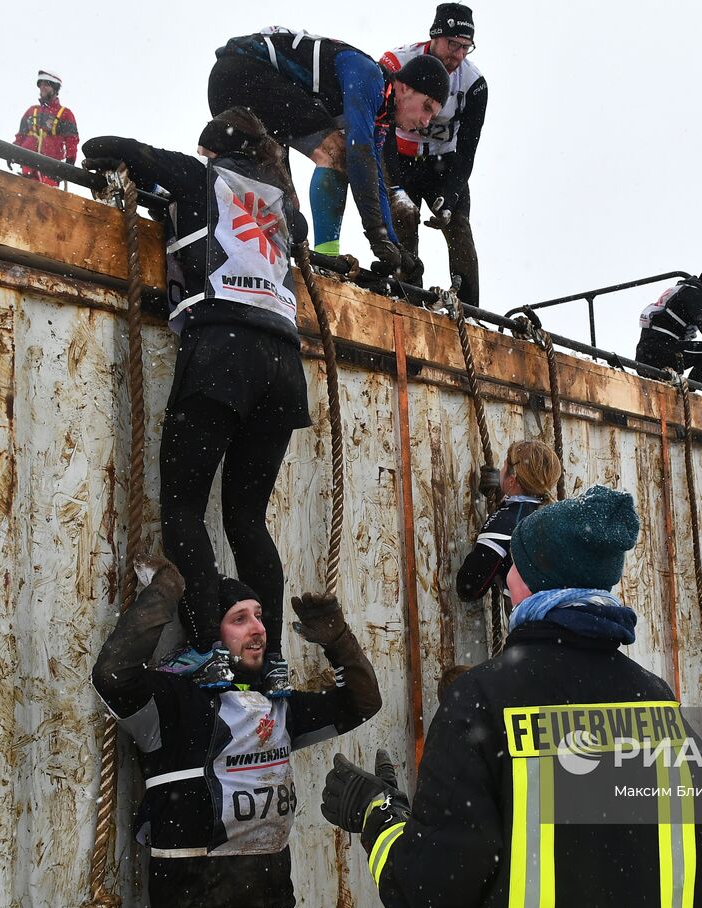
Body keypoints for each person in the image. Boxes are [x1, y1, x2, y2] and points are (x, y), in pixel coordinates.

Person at [319, 485, 702, 908]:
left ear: (531, 580)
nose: (507, 575)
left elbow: (430, 891)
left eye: (515, 562)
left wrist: (378, 815)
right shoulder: (655, 698)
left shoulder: (483, 700)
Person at [82, 108, 312, 696]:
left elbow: (106, 144)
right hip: (284, 369)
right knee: (246, 517)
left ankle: (208, 650)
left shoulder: (197, 176)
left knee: (183, 508)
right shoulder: (285, 209)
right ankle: (275, 656)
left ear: (211, 150)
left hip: (222, 354)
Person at [92, 555, 382, 908]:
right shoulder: (174, 705)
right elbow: (112, 675)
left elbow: (361, 703)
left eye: (259, 615)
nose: (258, 629)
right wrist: (166, 589)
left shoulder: (277, 708)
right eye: (239, 619)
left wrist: (339, 640)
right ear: (212, 635)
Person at [207, 27, 448, 273]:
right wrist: (377, 235)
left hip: (230, 84)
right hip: (243, 73)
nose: (426, 122)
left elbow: (374, 179)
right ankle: (326, 261)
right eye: (426, 107)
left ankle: (255, 265)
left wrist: (393, 245)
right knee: (337, 154)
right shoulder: (370, 76)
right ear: (405, 88)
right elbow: (357, 154)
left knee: (284, 202)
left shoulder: (381, 115)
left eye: (433, 116)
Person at [380, 3, 487, 304]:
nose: (458, 55)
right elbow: (382, 128)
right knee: (403, 222)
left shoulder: (474, 84)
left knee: (460, 232)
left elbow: (467, 151)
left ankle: (469, 311)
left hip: (443, 162)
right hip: (399, 156)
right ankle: (408, 296)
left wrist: (450, 197)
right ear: (434, 36)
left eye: (466, 47)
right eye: (452, 44)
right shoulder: (397, 62)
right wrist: (395, 187)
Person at [454, 439, 561, 605]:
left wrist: (494, 525)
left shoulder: (505, 523)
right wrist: (502, 493)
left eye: (504, 466)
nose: (500, 470)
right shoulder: (557, 513)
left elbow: (469, 588)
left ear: (512, 481)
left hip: (537, 626)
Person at [13, 70, 78, 186]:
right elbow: (20, 136)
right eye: (41, 85)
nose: (42, 88)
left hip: (51, 170)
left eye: (46, 85)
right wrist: (11, 152)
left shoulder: (65, 114)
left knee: (45, 202)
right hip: (27, 167)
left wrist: (69, 163)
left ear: (55, 88)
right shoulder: (31, 111)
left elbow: (71, 141)